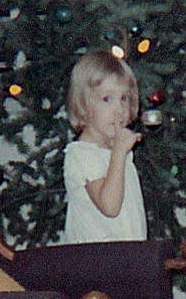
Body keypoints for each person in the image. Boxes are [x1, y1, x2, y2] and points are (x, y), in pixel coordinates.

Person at [62, 50, 147, 243]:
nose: (119, 110)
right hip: (96, 259)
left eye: (124, 98)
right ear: (84, 104)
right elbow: (110, 206)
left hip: (126, 253)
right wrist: (119, 153)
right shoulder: (82, 154)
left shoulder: (117, 151)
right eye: (107, 99)